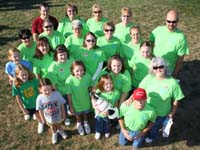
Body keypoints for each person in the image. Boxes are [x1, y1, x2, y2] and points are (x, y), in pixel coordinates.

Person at [138, 57, 184, 143]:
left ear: (165, 67)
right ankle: (143, 134)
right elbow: (140, 90)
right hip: (147, 109)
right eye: (155, 67)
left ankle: (151, 137)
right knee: (145, 124)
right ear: (152, 69)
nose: (158, 69)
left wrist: (172, 113)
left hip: (161, 113)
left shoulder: (172, 83)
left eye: (161, 67)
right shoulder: (149, 77)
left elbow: (176, 99)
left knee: (154, 126)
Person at [149, 10, 189, 77]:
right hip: (154, 67)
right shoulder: (157, 30)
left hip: (168, 71)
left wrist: (174, 74)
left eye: (174, 22)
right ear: (165, 20)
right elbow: (150, 43)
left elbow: (180, 60)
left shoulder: (181, 38)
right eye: (169, 21)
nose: (171, 24)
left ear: (178, 21)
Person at [12, 64, 44, 134]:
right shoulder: (16, 85)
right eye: (22, 75)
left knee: (41, 112)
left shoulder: (33, 80)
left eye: (26, 74)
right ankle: (41, 123)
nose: (24, 76)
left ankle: (44, 120)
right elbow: (18, 99)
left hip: (37, 103)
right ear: (17, 76)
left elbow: (39, 91)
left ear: (28, 73)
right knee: (36, 113)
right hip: (28, 105)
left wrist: (42, 100)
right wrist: (23, 110)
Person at [47, 45, 74, 125]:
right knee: (63, 104)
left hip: (72, 87)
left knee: (73, 101)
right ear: (56, 55)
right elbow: (54, 85)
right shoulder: (53, 67)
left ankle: (72, 110)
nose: (63, 57)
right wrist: (57, 94)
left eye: (65, 54)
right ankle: (65, 117)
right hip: (61, 91)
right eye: (61, 55)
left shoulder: (71, 60)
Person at [65, 60, 94, 136]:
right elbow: (69, 95)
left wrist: (93, 90)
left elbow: (91, 86)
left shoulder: (87, 76)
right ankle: (79, 123)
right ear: (72, 71)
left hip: (86, 101)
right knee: (78, 115)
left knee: (85, 113)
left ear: (84, 69)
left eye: (81, 70)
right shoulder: (69, 80)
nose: (80, 73)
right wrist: (71, 106)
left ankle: (85, 122)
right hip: (76, 103)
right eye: (77, 71)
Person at [36, 78, 67, 144]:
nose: (47, 92)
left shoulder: (56, 94)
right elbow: (40, 109)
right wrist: (42, 118)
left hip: (58, 115)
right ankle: (54, 134)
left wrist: (64, 114)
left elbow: (62, 104)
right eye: (45, 90)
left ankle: (60, 131)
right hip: (48, 118)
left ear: (51, 87)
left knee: (59, 125)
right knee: (52, 127)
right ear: (40, 89)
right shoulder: (39, 98)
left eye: (49, 89)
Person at [93, 74, 120, 140]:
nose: (109, 85)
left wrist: (112, 111)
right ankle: (98, 131)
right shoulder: (99, 92)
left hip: (108, 113)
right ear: (102, 84)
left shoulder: (116, 92)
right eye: (106, 84)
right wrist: (95, 106)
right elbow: (93, 98)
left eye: (110, 83)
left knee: (107, 123)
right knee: (98, 122)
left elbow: (116, 104)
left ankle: (106, 131)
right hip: (99, 112)